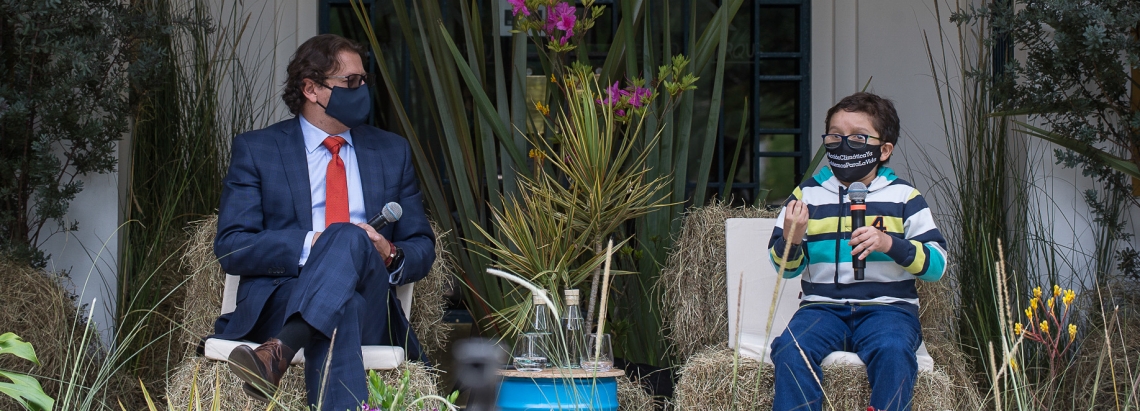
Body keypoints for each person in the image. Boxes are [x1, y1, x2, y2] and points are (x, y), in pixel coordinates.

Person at [210, 34, 435, 410]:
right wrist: (311, 244)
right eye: (350, 82)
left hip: (372, 303)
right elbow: (233, 244)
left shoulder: (390, 151)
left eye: (364, 80)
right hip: (282, 299)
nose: (362, 89)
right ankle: (284, 345)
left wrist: (390, 251)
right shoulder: (259, 149)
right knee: (339, 301)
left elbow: (422, 246)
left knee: (347, 241)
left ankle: (274, 355)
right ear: (311, 89)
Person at [767, 92, 947, 411]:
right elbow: (785, 268)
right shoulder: (806, 195)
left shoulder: (905, 197)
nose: (845, 144)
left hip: (889, 310)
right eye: (835, 136)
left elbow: (937, 265)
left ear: (884, 149)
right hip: (820, 309)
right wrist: (792, 240)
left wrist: (889, 243)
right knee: (789, 349)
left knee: (893, 350)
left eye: (858, 137)